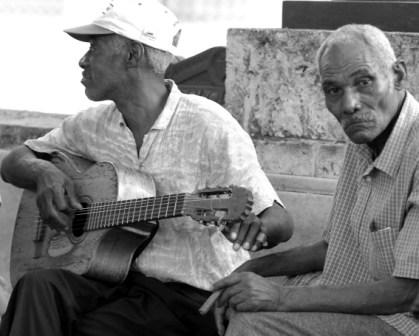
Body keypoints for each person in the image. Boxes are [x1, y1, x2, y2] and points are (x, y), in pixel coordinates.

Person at [0, 1, 293, 336]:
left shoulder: (210, 126)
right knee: (36, 286)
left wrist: (257, 229)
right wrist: (44, 173)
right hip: (112, 280)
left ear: (132, 54)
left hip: (185, 297)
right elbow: (12, 162)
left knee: (90, 329)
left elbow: (280, 220)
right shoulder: (91, 125)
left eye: (95, 47)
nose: (83, 60)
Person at [212, 24, 419, 336]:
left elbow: (406, 293)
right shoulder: (363, 139)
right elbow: (334, 247)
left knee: (254, 325)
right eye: (334, 90)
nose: (349, 105)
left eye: (364, 82)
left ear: (398, 76)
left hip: (404, 320)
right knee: (243, 301)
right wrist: (252, 268)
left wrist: (279, 298)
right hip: (361, 298)